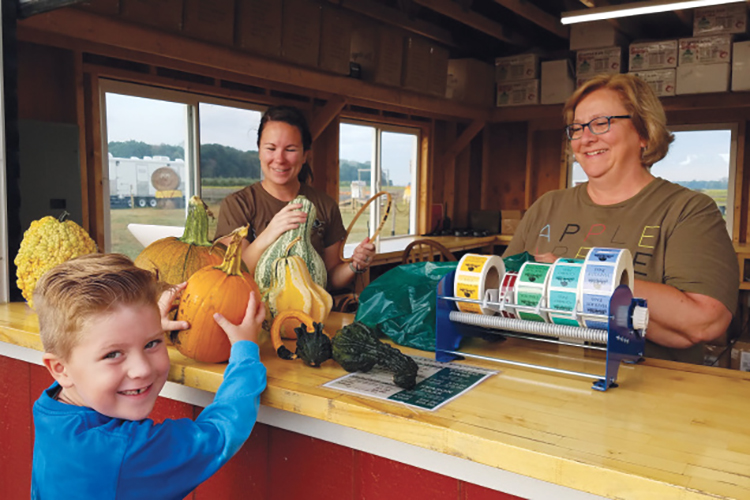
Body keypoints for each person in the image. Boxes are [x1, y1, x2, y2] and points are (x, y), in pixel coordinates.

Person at [503, 73, 739, 364]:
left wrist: (576, 279)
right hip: (538, 382)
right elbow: (502, 294)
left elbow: (705, 322)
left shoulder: (687, 210)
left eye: (601, 123)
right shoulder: (547, 206)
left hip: (643, 394)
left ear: (643, 132)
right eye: (576, 128)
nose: (586, 138)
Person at [30, 253, 267, 500]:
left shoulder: (51, 408)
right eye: (113, 354)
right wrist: (245, 351)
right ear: (60, 369)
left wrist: (140, 328)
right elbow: (221, 433)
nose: (141, 369)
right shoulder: (125, 451)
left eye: (152, 343)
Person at [214, 105, 376, 289]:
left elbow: (330, 279)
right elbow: (234, 276)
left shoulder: (325, 205)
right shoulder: (238, 205)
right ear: (259, 150)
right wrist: (270, 232)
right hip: (256, 315)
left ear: (305, 155)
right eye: (271, 148)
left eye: (290, 149)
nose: (280, 159)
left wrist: (354, 266)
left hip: (312, 315)